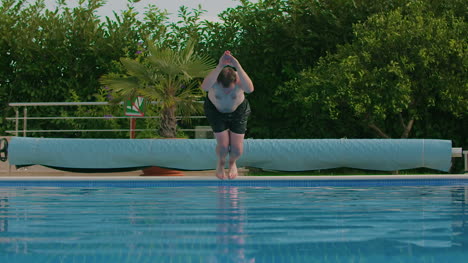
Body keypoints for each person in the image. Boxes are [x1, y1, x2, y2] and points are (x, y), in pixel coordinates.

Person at [201, 51, 254, 180]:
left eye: (230, 90)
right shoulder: (214, 79)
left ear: (235, 80)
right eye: (223, 91)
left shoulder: (239, 78)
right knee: (223, 146)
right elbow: (204, 87)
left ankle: (232, 163)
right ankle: (220, 163)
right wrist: (219, 66)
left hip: (238, 111)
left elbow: (250, 89)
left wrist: (237, 65)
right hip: (215, 111)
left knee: (236, 150)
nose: (226, 93)